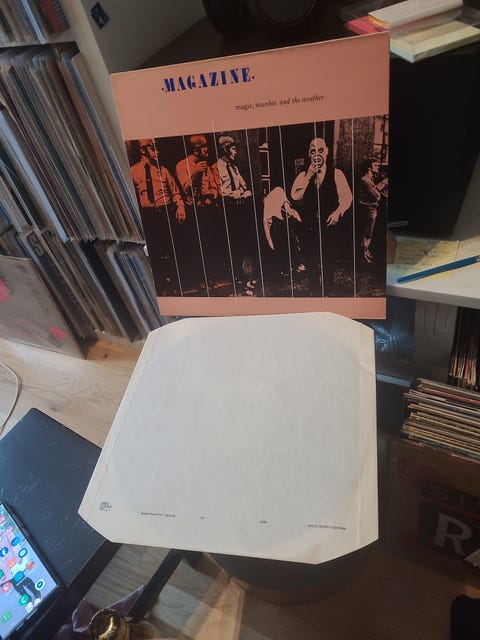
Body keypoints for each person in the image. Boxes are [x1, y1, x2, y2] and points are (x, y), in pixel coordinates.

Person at [290, 137, 352, 296]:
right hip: (309, 226)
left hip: (329, 225)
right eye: (313, 151)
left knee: (328, 261)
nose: (317, 154)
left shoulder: (336, 174)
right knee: (311, 260)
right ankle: (314, 292)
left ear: (327, 152)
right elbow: (295, 196)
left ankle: (327, 292)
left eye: (320, 150)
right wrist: (308, 176)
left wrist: (337, 212)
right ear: (309, 154)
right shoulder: (304, 175)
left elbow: (347, 198)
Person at [129, 139, 186, 295]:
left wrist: (180, 206)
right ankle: (162, 285)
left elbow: (175, 192)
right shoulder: (133, 171)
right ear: (143, 150)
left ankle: (175, 285)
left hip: (165, 213)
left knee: (171, 249)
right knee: (155, 251)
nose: (157, 152)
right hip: (148, 216)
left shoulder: (163, 171)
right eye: (153, 148)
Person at [176, 134, 230, 292]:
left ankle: (210, 278)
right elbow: (185, 189)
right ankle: (197, 280)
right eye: (204, 146)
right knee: (195, 246)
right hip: (193, 211)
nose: (207, 149)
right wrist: (195, 173)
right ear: (195, 149)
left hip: (208, 211)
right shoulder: (182, 165)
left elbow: (216, 186)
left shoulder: (208, 167)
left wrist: (212, 193)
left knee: (209, 244)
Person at [213, 135, 257, 295]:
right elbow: (218, 190)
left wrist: (243, 191)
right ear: (225, 149)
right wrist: (234, 194)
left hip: (239, 209)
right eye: (233, 149)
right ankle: (233, 278)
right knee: (231, 244)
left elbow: (243, 184)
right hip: (227, 209)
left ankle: (241, 276)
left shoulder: (234, 167)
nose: (235, 152)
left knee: (240, 243)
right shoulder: (216, 167)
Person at [358, 158, 388, 264]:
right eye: (375, 165)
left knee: (368, 232)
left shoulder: (368, 180)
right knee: (367, 232)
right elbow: (377, 196)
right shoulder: (365, 180)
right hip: (368, 210)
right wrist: (383, 183)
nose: (378, 167)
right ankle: (363, 254)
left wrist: (382, 184)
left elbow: (374, 190)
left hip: (371, 209)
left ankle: (365, 252)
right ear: (369, 168)